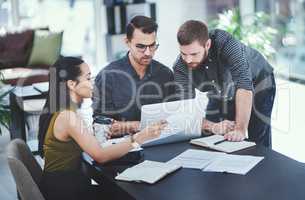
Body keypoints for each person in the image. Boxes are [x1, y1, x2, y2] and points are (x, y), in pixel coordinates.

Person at [38, 57, 167, 200]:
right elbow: (100, 156)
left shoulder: (62, 110)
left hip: (62, 185)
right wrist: (139, 138)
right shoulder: (68, 116)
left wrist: (127, 127)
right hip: (65, 192)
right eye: (88, 78)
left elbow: (85, 139)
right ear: (72, 84)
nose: (93, 83)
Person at [173, 20, 276, 148]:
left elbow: (244, 85)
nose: (188, 60)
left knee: (256, 135)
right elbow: (186, 113)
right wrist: (213, 126)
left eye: (194, 54)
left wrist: (240, 129)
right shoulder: (180, 67)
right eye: (184, 54)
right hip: (221, 89)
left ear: (207, 44)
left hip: (258, 80)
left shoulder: (225, 42)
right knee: (212, 135)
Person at [92, 15, 176, 138]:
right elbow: (101, 128)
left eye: (152, 45)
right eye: (141, 46)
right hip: (122, 149)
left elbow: (173, 119)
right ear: (127, 42)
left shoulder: (165, 74)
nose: (148, 52)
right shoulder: (107, 77)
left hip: (160, 143)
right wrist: (141, 126)